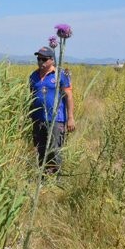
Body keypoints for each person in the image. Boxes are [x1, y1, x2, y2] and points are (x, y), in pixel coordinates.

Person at [29, 46, 75, 174]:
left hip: (56, 119)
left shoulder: (60, 75)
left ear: (52, 60)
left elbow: (69, 96)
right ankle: (42, 177)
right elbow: (31, 96)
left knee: (55, 150)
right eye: (39, 59)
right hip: (38, 119)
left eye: (44, 59)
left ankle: (57, 178)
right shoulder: (33, 76)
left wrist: (70, 118)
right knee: (40, 149)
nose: (40, 62)